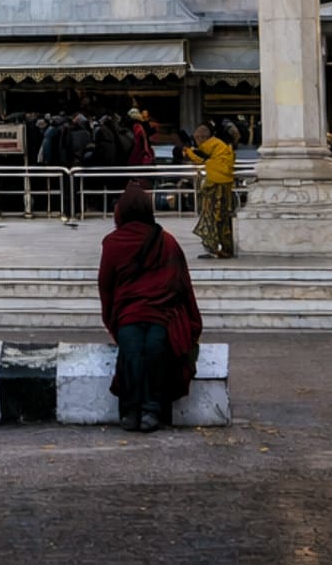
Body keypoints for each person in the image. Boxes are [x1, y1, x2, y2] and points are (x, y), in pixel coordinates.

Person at [98, 182, 202, 433]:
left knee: (138, 349)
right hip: (158, 312)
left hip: (138, 313)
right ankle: (143, 410)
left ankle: (142, 409)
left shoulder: (116, 242)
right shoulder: (165, 241)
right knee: (146, 348)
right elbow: (182, 284)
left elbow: (105, 288)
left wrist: (113, 319)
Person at [181, 124, 236, 259]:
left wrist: (188, 151)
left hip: (215, 186)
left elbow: (199, 158)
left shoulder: (210, 145)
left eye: (197, 139)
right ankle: (225, 248)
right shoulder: (220, 146)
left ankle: (214, 247)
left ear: (201, 137)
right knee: (223, 218)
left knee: (212, 217)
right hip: (225, 185)